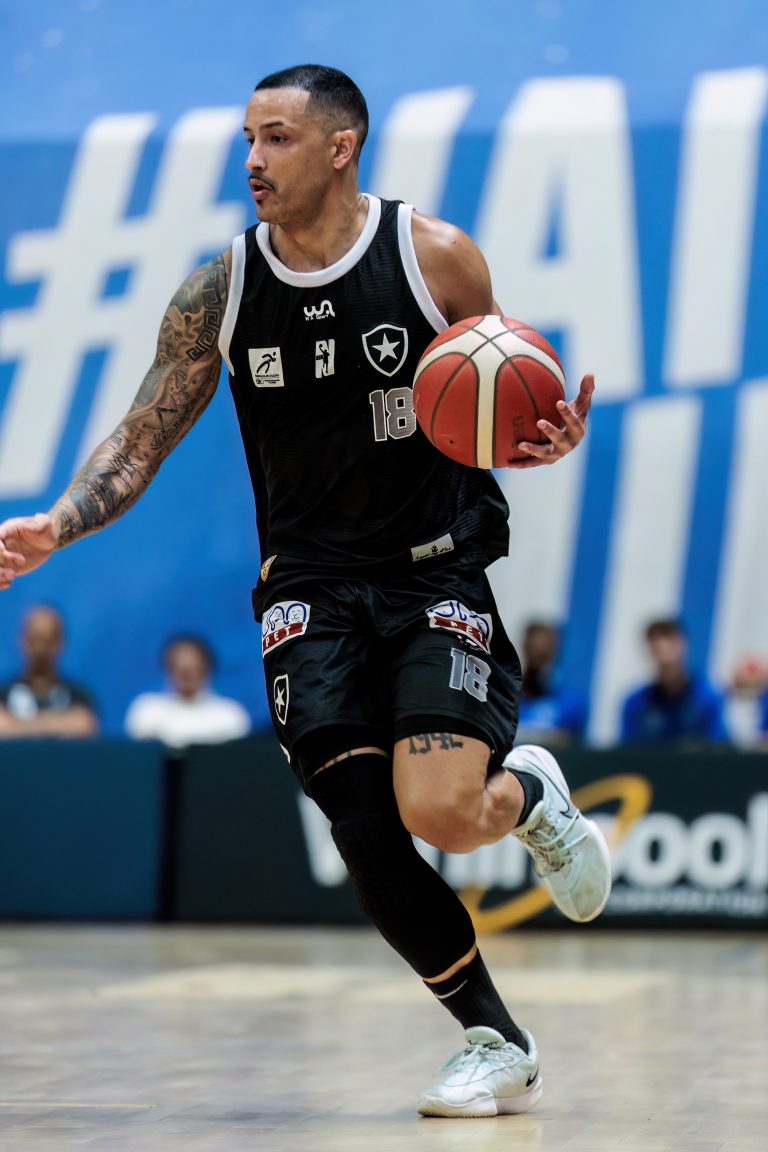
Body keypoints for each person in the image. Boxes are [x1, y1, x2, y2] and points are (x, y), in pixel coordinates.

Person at [0, 64, 610, 1118]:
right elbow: (143, 433)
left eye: (276, 138)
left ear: (340, 147)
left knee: (445, 813)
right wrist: (62, 520)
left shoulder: (433, 257)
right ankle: (496, 1040)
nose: (252, 160)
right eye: (247, 138)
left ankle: (526, 799)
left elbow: (501, 397)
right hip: (309, 588)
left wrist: (542, 436)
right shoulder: (222, 289)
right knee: (363, 826)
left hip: (432, 568)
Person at [124, 635, 252, 748]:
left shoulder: (230, 715)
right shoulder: (146, 710)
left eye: (193, 669)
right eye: (180, 669)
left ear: (206, 669)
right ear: (168, 669)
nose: (186, 675)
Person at [620, 618, 729, 747]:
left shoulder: (707, 696)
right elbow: (627, 750)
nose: (662, 645)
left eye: (668, 638)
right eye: (654, 641)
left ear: (683, 644)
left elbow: (719, 746)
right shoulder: (635, 702)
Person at [0, 604, 98, 738]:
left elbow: (84, 724)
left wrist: (18, 725)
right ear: (21, 640)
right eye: (34, 639)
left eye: (47, 640)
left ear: (61, 642)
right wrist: (58, 724)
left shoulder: (79, 697)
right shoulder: (3, 695)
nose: (40, 649)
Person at [515, 620, 587, 746]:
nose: (539, 664)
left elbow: (570, 744)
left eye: (545, 655)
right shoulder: (505, 697)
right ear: (525, 649)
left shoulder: (571, 702)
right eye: (534, 651)